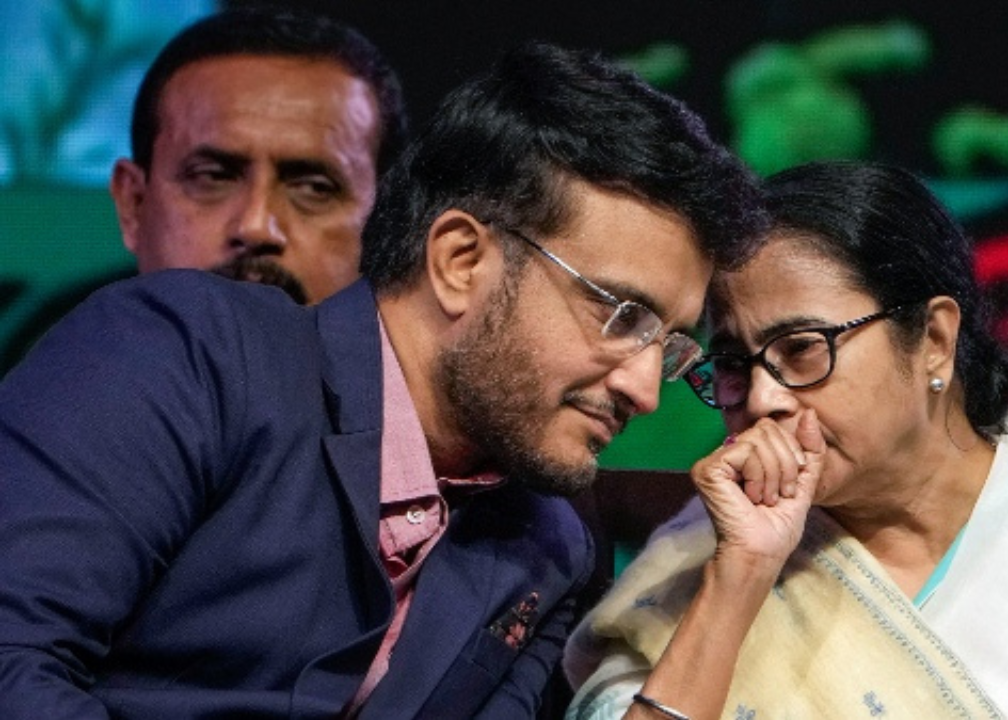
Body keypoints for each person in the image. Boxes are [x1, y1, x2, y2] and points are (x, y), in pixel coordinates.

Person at [0, 41, 764, 718]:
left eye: (666, 346)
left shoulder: (547, 545)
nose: (643, 387)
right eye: (621, 313)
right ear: (461, 261)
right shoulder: (186, 352)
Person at [563, 161, 1008, 719]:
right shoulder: (696, 572)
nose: (762, 398)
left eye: (803, 348)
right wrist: (740, 575)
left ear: (934, 339)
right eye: (730, 364)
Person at [109, 6, 409, 304]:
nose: (255, 227)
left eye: (314, 188)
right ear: (133, 207)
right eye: (212, 177)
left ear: (390, 226)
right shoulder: (65, 346)